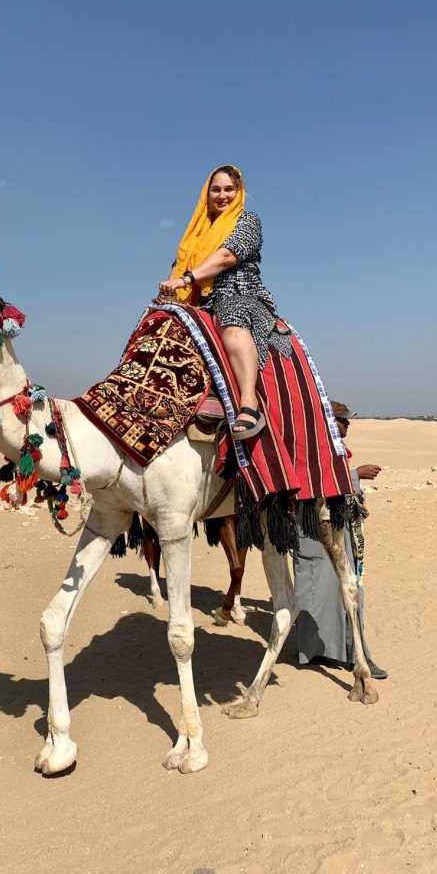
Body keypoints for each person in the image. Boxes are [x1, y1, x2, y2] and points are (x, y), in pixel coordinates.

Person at [157, 165, 291, 439]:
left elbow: (228, 256)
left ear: (239, 192)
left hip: (240, 294)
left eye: (229, 189)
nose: (222, 195)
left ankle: (249, 404)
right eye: (216, 190)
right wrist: (168, 294)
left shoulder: (247, 221)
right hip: (200, 301)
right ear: (206, 195)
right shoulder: (196, 234)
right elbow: (179, 266)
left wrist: (186, 280)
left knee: (229, 318)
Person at [293, 400, 388, 679]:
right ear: (326, 422)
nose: (347, 424)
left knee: (349, 591)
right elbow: (310, 482)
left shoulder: (334, 451)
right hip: (313, 530)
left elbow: (334, 486)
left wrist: (356, 504)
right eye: (341, 419)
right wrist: (355, 475)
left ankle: (357, 653)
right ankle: (316, 651)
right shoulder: (307, 450)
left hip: (337, 528)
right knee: (315, 591)